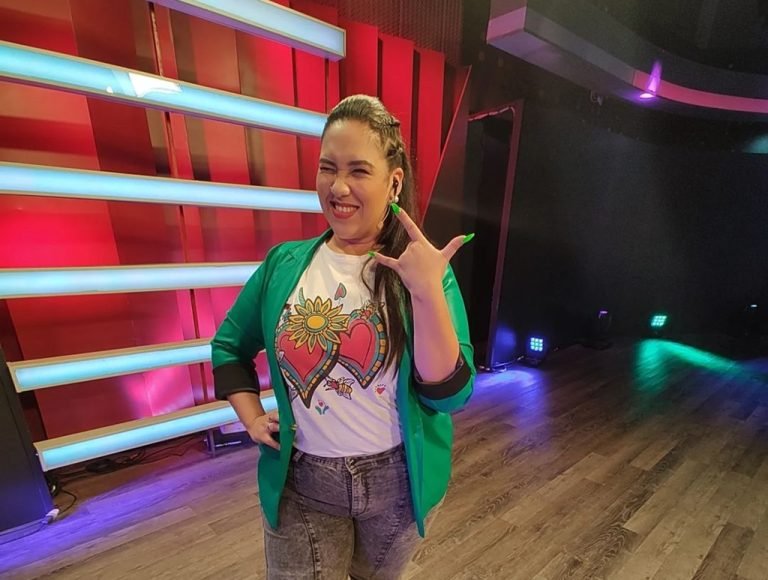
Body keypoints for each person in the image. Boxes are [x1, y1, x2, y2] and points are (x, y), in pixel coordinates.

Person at [211, 94, 475, 579]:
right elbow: (229, 346)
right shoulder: (283, 264)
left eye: (358, 171)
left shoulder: (425, 271)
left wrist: (426, 292)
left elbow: (449, 396)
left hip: (398, 484)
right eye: (327, 168)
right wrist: (251, 418)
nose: (338, 187)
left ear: (394, 182)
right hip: (303, 483)